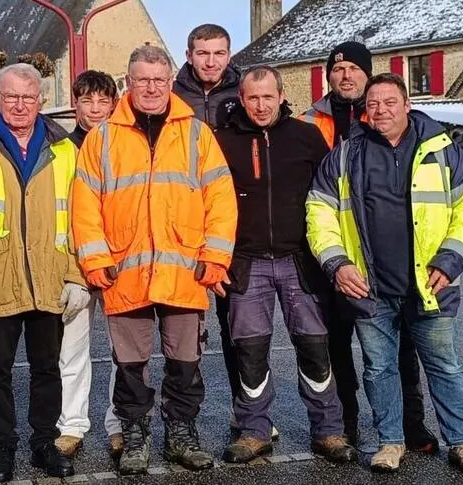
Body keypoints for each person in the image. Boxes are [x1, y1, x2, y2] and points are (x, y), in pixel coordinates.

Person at [306, 73, 463, 475]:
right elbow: (319, 210)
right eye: (373, 104)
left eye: (390, 102)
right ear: (365, 110)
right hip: (369, 287)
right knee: (379, 369)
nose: (381, 111)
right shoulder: (346, 153)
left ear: (407, 105)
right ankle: (390, 442)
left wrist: (451, 259)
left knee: (445, 366)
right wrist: (337, 263)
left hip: (431, 284)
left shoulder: (442, 150)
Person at [71, 45, 238, 475]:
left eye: (159, 80)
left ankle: (181, 433)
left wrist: (215, 257)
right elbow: (84, 206)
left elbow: (220, 199)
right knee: (130, 367)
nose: (150, 87)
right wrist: (95, 260)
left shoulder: (197, 134)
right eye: (142, 79)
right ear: (128, 82)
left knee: (185, 363)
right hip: (123, 273)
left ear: (170, 81)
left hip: (185, 272)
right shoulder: (102, 138)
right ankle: (135, 435)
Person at [214, 66, 357, 465]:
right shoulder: (221, 141)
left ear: (281, 96)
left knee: (314, 346)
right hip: (246, 261)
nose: (261, 105)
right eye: (252, 98)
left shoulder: (306, 136)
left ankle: (328, 430)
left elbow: (332, 195)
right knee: (250, 350)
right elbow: (207, 202)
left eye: (267, 97)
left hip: (301, 260)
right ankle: (254, 430)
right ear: (242, 99)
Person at [0, 63, 89, 482]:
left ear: (41, 101)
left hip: (51, 277)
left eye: (28, 97)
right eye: (10, 96)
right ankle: (3, 446)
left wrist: (77, 277)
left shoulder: (66, 149)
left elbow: (82, 218)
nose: (19, 105)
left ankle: (44, 444)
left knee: (47, 368)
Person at [303, 41, 438, 452]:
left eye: (354, 69)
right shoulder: (310, 121)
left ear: (367, 73)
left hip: (381, 256)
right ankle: (345, 422)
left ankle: (411, 424)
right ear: (328, 76)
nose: (346, 75)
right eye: (337, 69)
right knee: (335, 344)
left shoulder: (384, 113)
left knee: (399, 346)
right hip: (333, 249)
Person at [171, 23, 267, 440]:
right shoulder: (172, 96)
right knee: (185, 331)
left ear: (229, 54)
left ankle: (246, 411)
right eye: (203, 53)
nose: (211, 61)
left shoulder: (243, 93)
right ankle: (182, 419)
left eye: (219, 53)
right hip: (181, 223)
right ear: (189, 55)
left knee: (238, 329)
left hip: (233, 223)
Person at [55, 70, 121, 458]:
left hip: (120, 263)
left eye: (102, 101)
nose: (95, 109)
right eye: (87, 101)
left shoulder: (125, 145)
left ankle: (118, 424)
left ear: (113, 104)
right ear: (75, 104)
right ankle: (72, 425)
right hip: (76, 264)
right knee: (72, 349)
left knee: (123, 351)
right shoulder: (61, 150)